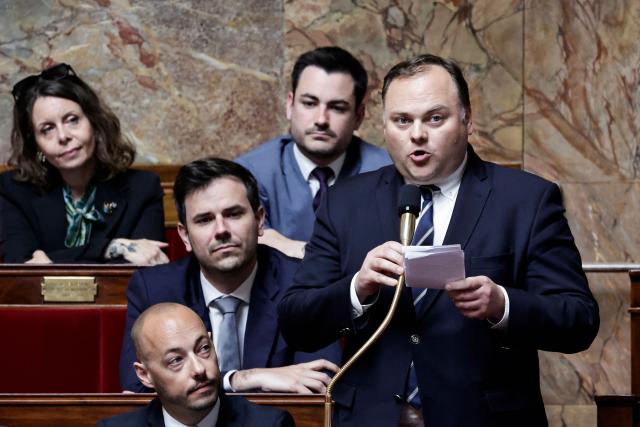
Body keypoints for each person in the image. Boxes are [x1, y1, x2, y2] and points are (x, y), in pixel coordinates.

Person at [278, 54, 600, 427]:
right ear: (384, 126)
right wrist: (356, 289)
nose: (417, 134)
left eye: (435, 118)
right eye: (402, 120)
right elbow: (295, 321)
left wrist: (502, 304)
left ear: (467, 120)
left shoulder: (526, 200)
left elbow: (579, 320)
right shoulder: (344, 202)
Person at [120, 157, 340, 394]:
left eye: (233, 214)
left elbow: (319, 380)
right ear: (184, 236)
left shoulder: (305, 282)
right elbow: (138, 387)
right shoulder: (154, 290)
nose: (221, 230)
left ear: (259, 220)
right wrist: (242, 379)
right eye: (204, 220)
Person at [0, 63, 168, 264]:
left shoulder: (142, 188)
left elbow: (148, 266)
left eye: (72, 120)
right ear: (35, 143)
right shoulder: (12, 191)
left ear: (94, 123)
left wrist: (51, 261)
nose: (63, 136)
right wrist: (112, 247)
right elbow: (22, 269)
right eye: (47, 129)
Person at [236, 46, 391, 259]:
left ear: (359, 116)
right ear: (290, 105)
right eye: (309, 103)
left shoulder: (387, 171)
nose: (321, 120)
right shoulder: (250, 173)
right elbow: (247, 238)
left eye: (337, 107)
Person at [100, 303, 294, 426]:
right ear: (145, 375)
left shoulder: (270, 424)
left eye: (203, 349)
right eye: (176, 360)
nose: (199, 369)